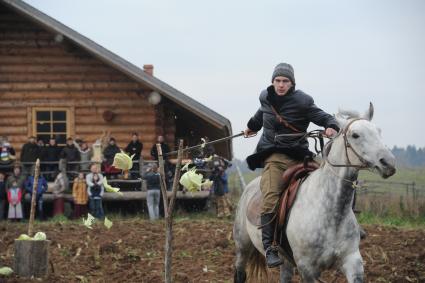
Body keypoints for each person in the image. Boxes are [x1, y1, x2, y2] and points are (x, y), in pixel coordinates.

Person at [244, 63, 339, 268]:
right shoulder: (265, 97)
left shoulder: (303, 101)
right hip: (274, 157)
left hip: (299, 157)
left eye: (285, 81)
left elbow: (323, 117)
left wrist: (331, 126)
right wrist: (251, 127)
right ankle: (270, 247)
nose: (280, 85)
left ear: (292, 83)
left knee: (331, 183)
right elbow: (262, 114)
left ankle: (346, 227)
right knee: (270, 198)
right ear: (272, 82)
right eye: (277, 81)